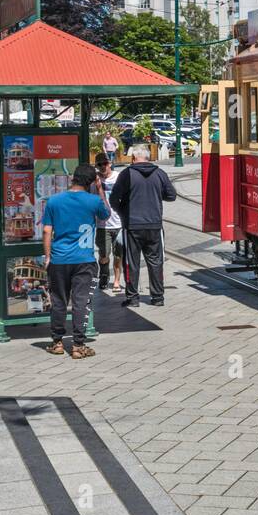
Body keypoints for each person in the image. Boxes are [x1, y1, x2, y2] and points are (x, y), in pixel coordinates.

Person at [41, 163, 110, 359]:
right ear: (91, 182)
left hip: (59, 259)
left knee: (58, 301)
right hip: (84, 259)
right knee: (81, 302)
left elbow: (47, 231)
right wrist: (99, 189)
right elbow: (107, 214)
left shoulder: (54, 201)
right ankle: (78, 345)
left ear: (73, 177)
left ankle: (57, 342)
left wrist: (47, 257)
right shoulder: (93, 201)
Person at [110, 145, 177, 308]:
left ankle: (133, 298)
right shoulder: (160, 173)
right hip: (154, 224)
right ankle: (158, 297)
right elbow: (171, 195)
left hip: (132, 225)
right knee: (155, 261)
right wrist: (155, 196)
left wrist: (123, 214)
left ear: (133, 158)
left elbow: (113, 199)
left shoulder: (127, 174)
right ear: (149, 157)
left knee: (131, 261)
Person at [91, 152, 124, 292]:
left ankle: (116, 280)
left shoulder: (118, 177)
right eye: (99, 165)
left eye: (105, 163)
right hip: (102, 225)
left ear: (109, 163)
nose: (103, 167)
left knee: (118, 256)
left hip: (119, 223)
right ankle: (104, 275)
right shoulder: (96, 181)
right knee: (104, 256)